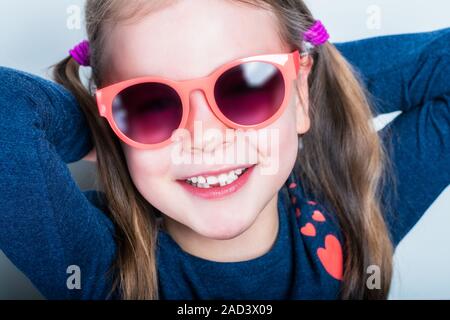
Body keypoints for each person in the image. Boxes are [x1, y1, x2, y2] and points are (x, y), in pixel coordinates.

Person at [0, 0, 448, 299]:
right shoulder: (99, 269)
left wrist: (302, 84)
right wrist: (106, 132)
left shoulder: (353, 217)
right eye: (150, 103)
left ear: (300, 95)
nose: (204, 134)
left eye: (245, 86)